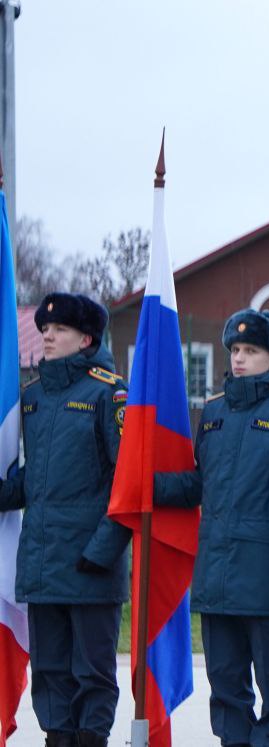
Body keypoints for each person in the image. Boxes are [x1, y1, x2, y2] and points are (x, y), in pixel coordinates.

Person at [154, 308, 269, 746]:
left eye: (250, 350)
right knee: (224, 684)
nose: (238, 358)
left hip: (267, 574)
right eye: (235, 349)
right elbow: (200, 484)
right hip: (217, 572)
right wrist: (146, 483)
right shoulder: (215, 410)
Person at [0, 293, 131, 747]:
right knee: (51, 672)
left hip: (90, 566)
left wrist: (100, 554)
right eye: (45, 329)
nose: (48, 336)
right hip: (43, 563)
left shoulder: (109, 393)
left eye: (60, 330)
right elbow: (33, 480)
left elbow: (127, 482)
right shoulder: (33, 397)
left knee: (92, 673)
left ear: (86, 338)